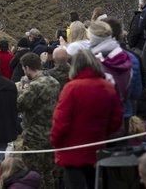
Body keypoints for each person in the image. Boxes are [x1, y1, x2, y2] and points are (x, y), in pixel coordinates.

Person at [50, 49, 123, 189]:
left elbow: (61, 121)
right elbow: (116, 120)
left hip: (71, 151)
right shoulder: (108, 87)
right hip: (96, 149)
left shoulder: (71, 88)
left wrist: (55, 141)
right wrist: (103, 135)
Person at [16, 53, 60, 189]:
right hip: (51, 132)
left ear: (28, 68)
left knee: (34, 173)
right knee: (49, 172)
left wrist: (18, 91)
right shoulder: (54, 82)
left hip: (34, 136)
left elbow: (19, 105)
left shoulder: (34, 86)